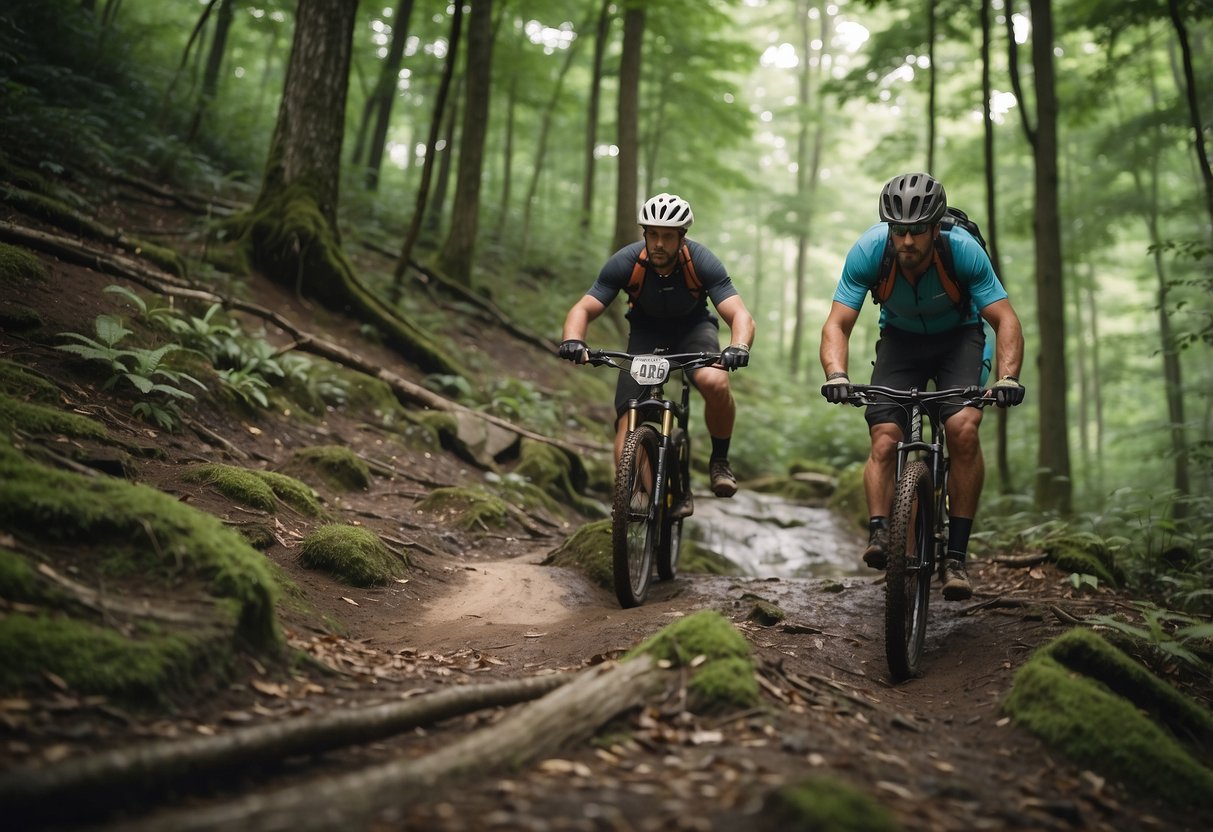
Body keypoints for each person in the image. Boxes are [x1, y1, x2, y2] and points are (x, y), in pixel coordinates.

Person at [818, 172, 1025, 600]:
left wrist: (1007, 378)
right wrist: (836, 375)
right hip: (901, 340)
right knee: (884, 438)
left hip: (961, 338)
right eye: (899, 231)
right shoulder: (870, 252)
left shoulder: (962, 251)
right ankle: (880, 534)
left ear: (935, 228)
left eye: (916, 232)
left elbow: (1005, 320)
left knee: (962, 429)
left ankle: (955, 556)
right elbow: (838, 323)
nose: (907, 241)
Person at [558, 193, 756, 516]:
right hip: (646, 334)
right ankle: (639, 496)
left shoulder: (702, 261)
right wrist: (573, 340)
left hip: (693, 331)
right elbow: (584, 307)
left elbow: (740, 315)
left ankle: (719, 461)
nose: (659, 243)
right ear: (645, 234)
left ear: (682, 238)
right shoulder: (626, 262)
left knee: (716, 384)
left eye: (667, 236)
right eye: (653, 234)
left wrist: (739, 346)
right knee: (629, 415)